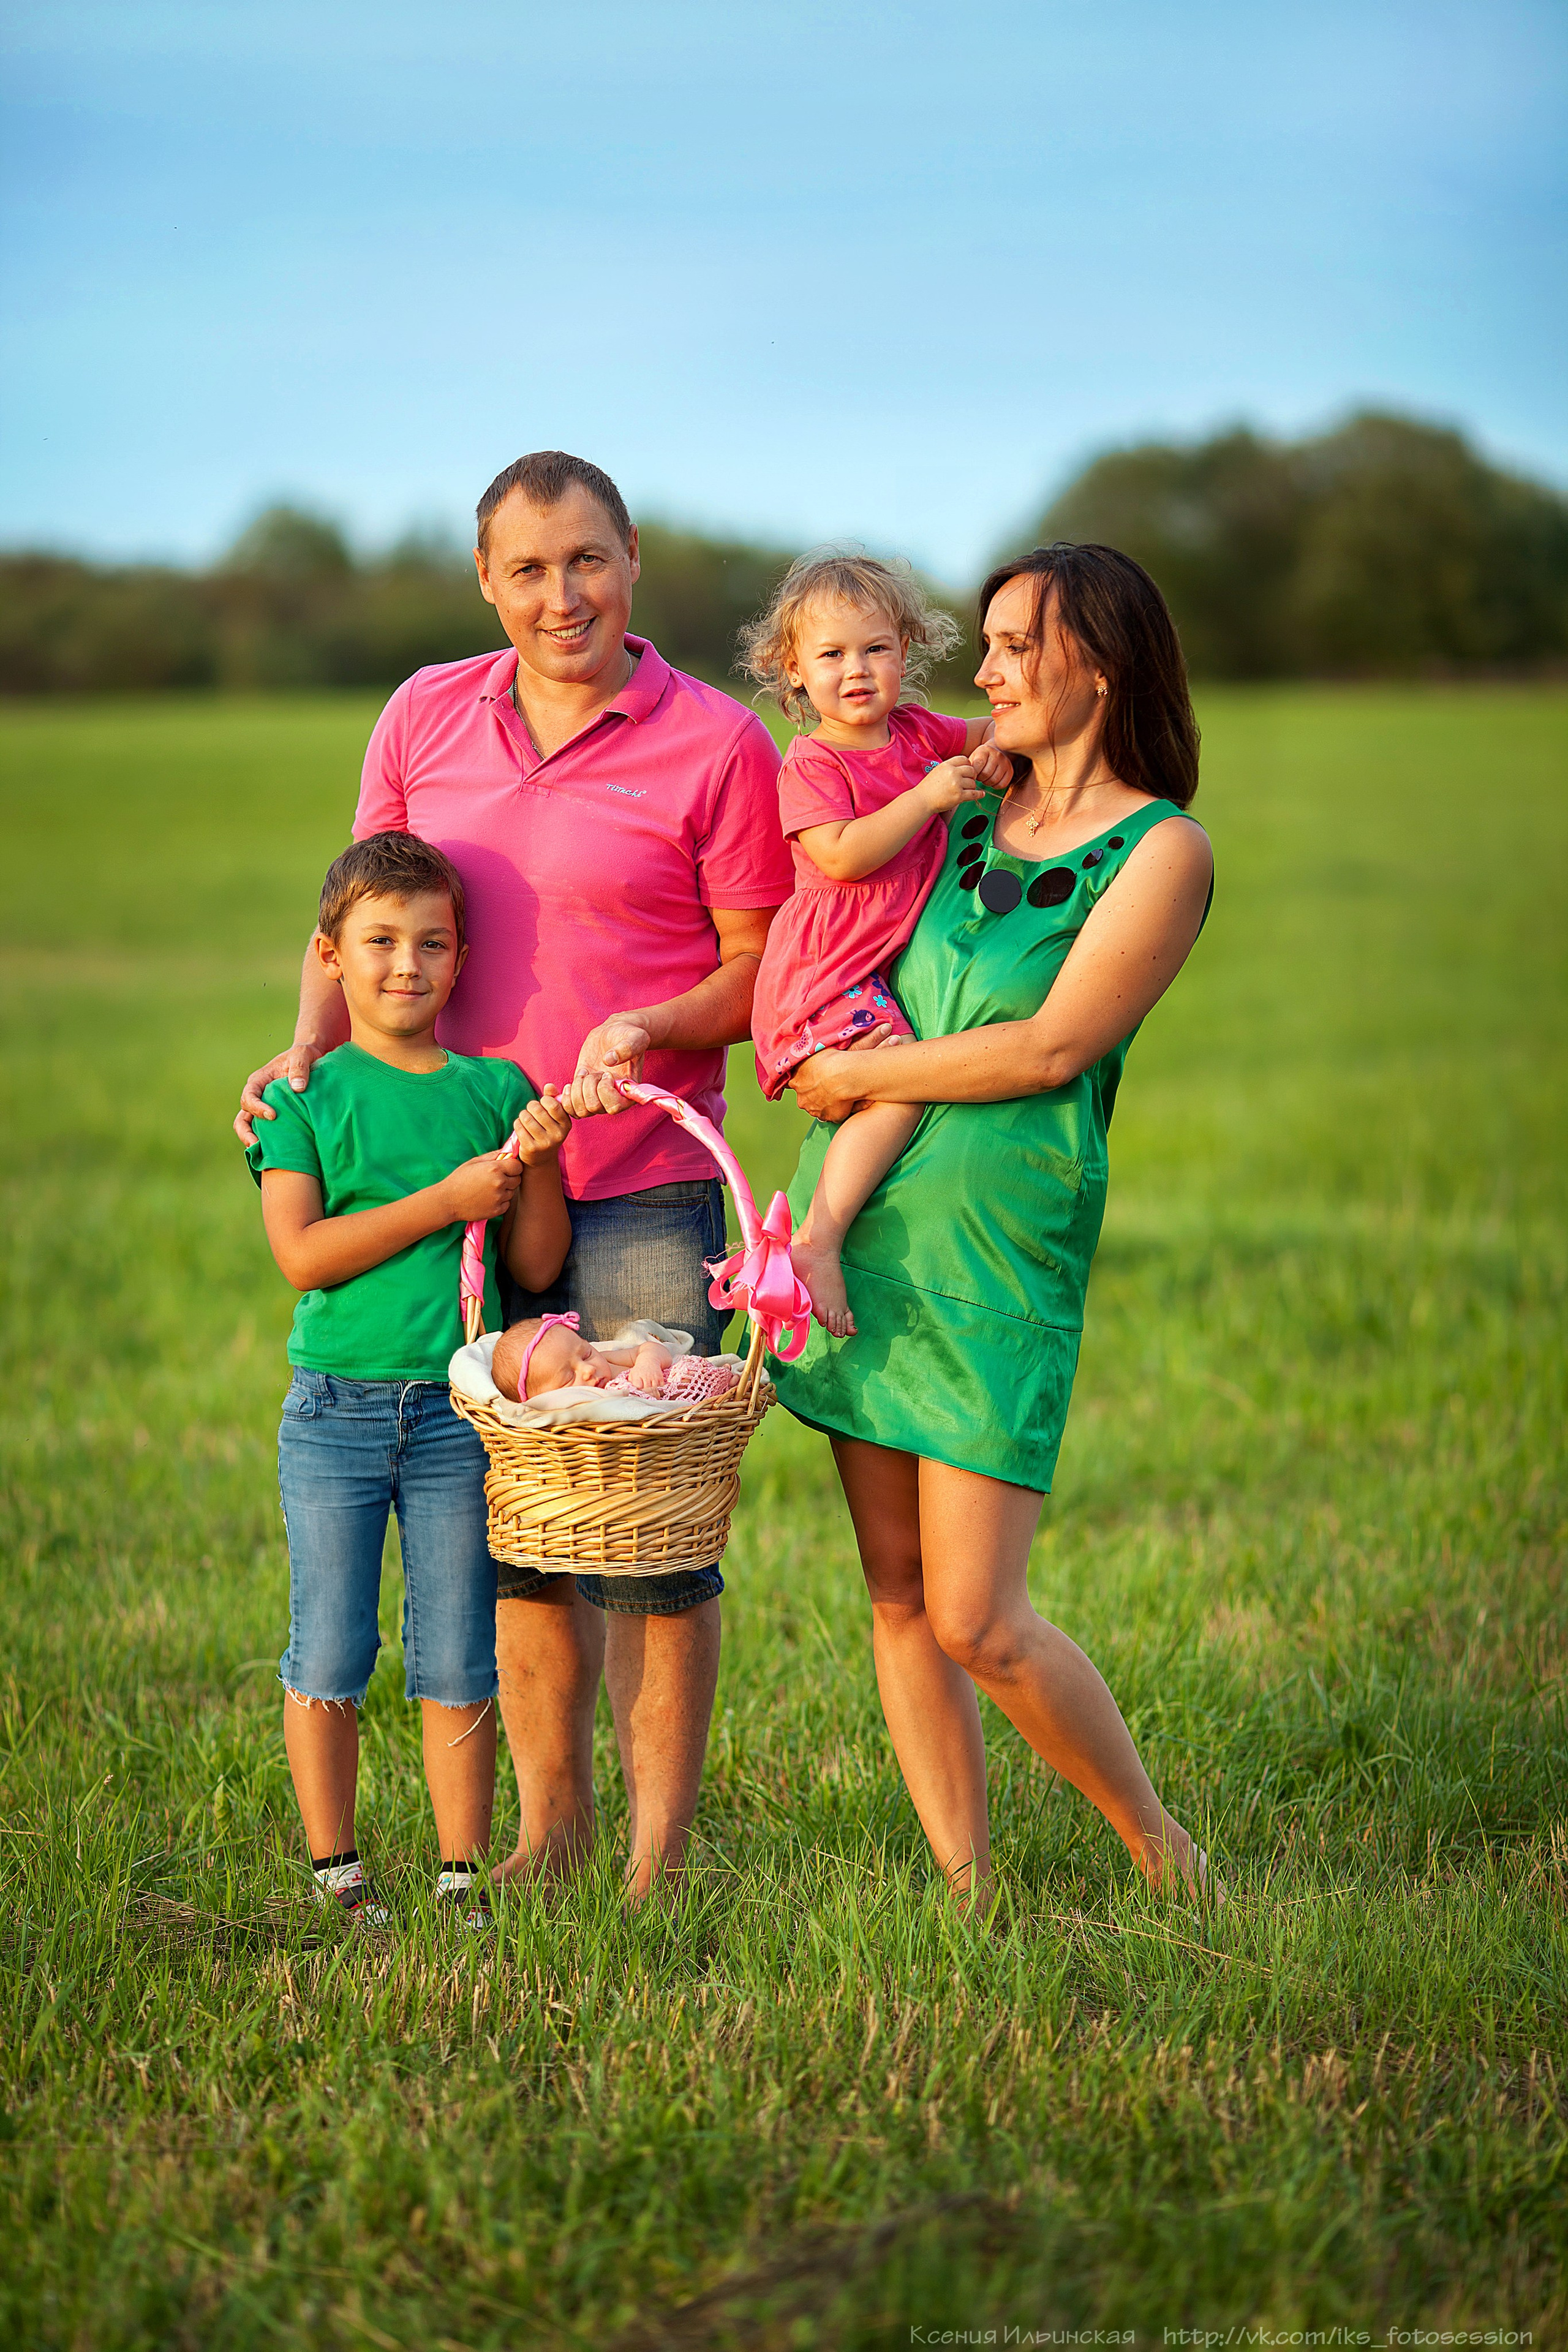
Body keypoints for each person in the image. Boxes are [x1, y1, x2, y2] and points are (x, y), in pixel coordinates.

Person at [236, 450, 792, 1898]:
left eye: (587, 559)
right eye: (529, 568)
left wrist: (650, 1026)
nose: (562, 595)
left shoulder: (719, 742)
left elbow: (758, 973)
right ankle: (553, 1839)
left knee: (649, 1534)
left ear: (632, 558)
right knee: (525, 1535)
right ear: (486, 580)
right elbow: (357, 912)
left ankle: (657, 1866)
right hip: (475, 1198)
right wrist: (303, 1055)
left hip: (643, 1181)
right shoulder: (423, 711)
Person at [772, 542, 1217, 1910]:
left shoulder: (1160, 851)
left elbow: (1049, 1047)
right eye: (990, 642)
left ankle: (1165, 1854)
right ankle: (967, 1893)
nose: (987, 671)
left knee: (977, 1615)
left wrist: (855, 1078)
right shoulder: (956, 804)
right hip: (863, 1230)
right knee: (899, 1594)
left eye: (1020, 645)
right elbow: (823, 908)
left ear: (1104, 664)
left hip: (998, 1250)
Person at [246, 832, 573, 1923]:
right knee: (332, 1644)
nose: (406, 965)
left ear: (461, 958)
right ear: (329, 957)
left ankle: (461, 1873)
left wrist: (536, 1161)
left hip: (455, 1416)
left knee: (458, 1650)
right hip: (334, 1409)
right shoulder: (304, 1097)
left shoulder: (495, 1089)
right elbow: (303, 1254)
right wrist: (444, 1200)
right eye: (380, 941)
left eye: (433, 943)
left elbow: (535, 1267)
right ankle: (336, 1869)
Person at [741, 554, 1012, 1337]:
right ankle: (818, 1238)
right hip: (822, 973)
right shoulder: (813, 762)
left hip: (864, 967)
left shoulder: (918, 731)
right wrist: (927, 796)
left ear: (907, 651)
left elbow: (997, 729)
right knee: (899, 1085)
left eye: (876, 649)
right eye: (831, 654)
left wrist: (996, 753)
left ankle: (845, 1236)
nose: (855, 670)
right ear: (793, 670)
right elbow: (840, 856)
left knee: (895, 1083)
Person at [491, 1313, 742, 1407]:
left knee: (687, 1375)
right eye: (568, 1377)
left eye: (586, 1353)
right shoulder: (567, 1412)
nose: (588, 1369)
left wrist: (647, 1364)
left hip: (670, 1386)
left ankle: (721, 1384)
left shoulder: (607, 1360)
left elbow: (651, 1349)